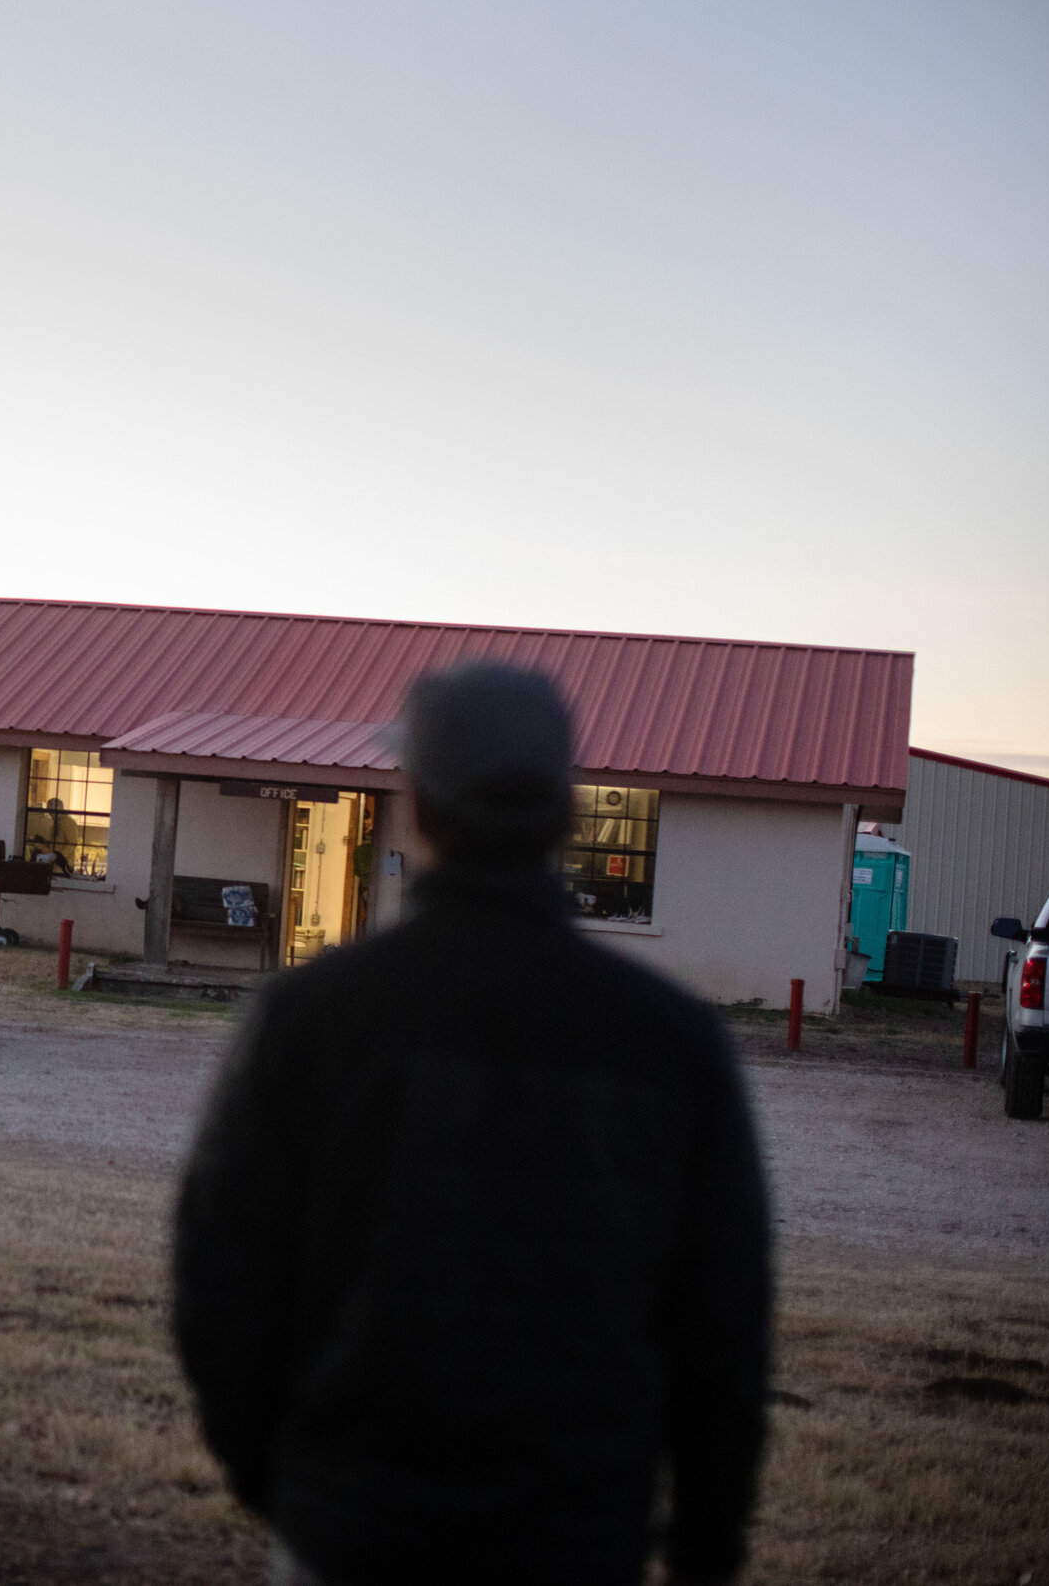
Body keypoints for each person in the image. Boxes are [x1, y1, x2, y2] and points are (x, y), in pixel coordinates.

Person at [171, 661, 771, 1586]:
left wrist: (286, 1481)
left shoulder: (312, 1018)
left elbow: (221, 1273)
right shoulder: (674, 1043)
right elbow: (723, 1331)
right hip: (576, 1540)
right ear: (569, 813)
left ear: (415, 802)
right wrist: (704, 1550)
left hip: (353, 1532)